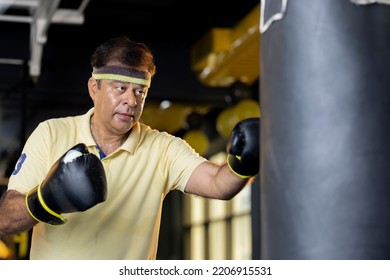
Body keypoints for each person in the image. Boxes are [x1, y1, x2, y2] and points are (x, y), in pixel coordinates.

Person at [0, 36, 259, 260]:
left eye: (140, 92)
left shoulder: (162, 148)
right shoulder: (51, 133)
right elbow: (5, 220)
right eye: (120, 88)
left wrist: (242, 164)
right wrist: (45, 199)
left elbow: (217, 183)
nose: (130, 101)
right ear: (94, 88)